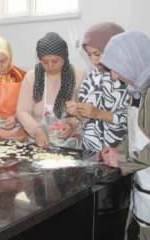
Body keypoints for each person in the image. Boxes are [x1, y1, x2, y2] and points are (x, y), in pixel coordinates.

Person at [101, 31, 150, 240]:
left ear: (132, 60)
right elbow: (135, 135)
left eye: (115, 68)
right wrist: (118, 150)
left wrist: (124, 162)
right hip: (143, 187)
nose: (113, 75)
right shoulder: (137, 92)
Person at [65, 22, 130, 158]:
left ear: (115, 49)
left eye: (98, 53)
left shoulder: (129, 78)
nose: (94, 60)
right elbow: (87, 121)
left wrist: (99, 113)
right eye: (89, 55)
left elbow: (133, 122)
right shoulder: (91, 78)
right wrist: (78, 114)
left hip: (119, 156)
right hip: (91, 154)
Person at [17, 32, 85, 148]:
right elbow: (22, 112)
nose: (50, 66)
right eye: (45, 62)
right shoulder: (32, 77)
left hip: (69, 142)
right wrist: (37, 130)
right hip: (39, 141)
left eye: (55, 61)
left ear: (64, 57)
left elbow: (85, 112)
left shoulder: (78, 75)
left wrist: (71, 125)